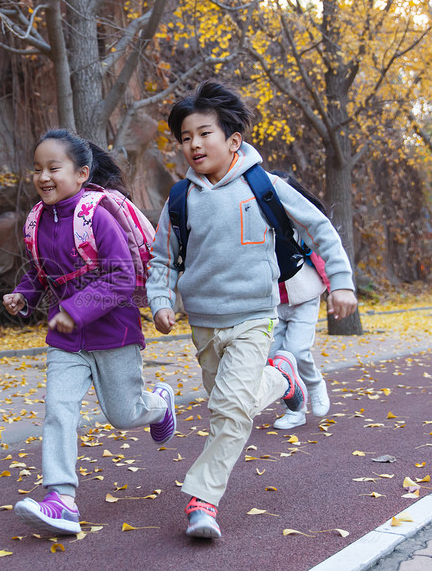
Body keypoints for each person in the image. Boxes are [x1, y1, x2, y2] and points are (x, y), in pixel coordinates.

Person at [146, 81, 358, 539]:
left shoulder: (265, 185)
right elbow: (161, 257)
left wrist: (341, 282)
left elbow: (320, 228)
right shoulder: (179, 200)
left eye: (204, 133)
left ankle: (203, 500)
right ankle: (284, 377)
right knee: (225, 405)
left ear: (233, 140)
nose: (194, 144)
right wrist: (161, 300)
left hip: (254, 317)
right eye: (186, 137)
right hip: (203, 323)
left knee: (230, 408)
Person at [3, 129, 176, 536]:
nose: (43, 177)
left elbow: (120, 277)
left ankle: (159, 405)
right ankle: (61, 499)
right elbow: (41, 272)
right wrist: (22, 296)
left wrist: (76, 312)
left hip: (114, 332)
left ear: (81, 174)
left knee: (123, 414)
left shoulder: (94, 215)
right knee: (59, 410)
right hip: (65, 340)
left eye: (53, 168)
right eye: (37, 169)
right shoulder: (37, 221)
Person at [267, 171, 332, 430]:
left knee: (296, 350)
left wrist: (335, 289)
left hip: (304, 296)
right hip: (272, 301)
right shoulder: (257, 223)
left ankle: (315, 384)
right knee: (275, 358)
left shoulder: (300, 224)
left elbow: (320, 255)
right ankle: (294, 409)